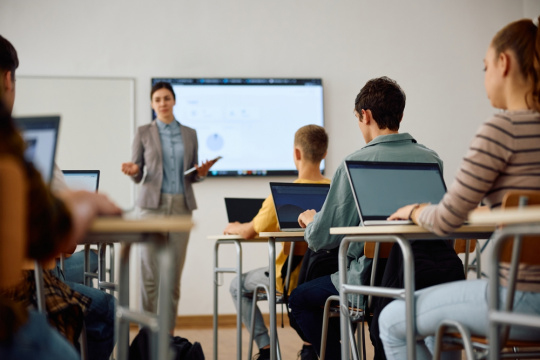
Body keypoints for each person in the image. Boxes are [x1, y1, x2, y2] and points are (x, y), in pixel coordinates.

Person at [379, 17, 540, 360]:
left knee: (392, 320)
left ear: (503, 63)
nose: (485, 77)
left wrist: (415, 210)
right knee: (444, 330)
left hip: (522, 301)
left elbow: (446, 220)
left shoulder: (502, 129)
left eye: (485, 67)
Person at [289, 77, 465, 360]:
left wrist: (311, 222)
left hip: (371, 281)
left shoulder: (354, 163)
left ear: (365, 115)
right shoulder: (432, 159)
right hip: (427, 274)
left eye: (358, 120)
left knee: (299, 300)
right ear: (400, 115)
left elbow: (323, 238)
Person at [0, 34, 121, 360]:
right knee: (103, 303)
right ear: (9, 78)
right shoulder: (13, 144)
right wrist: (87, 202)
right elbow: (57, 241)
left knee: (86, 264)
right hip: (11, 304)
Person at [224, 124, 330, 360]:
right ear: (324, 154)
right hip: (328, 279)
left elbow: (251, 231)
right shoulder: (336, 192)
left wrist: (235, 227)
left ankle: (265, 349)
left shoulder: (281, 196)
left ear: (296, 153)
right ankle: (311, 346)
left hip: (290, 281)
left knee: (236, 285)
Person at [121, 81, 216, 331]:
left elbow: (192, 173)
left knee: (172, 280)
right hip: (151, 208)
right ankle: (146, 338)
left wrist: (202, 172)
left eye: (166, 98)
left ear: (174, 101)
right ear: (152, 105)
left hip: (181, 208)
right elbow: (137, 172)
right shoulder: (143, 132)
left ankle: (168, 339)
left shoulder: (190, 133)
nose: (162, 103)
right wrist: (133, 171)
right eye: (157, 100)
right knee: (149, 279)